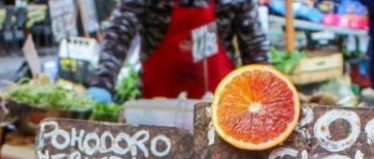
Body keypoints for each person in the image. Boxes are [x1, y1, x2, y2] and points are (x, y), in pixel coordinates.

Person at [87, 0, 270, 102]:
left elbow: (254, 46)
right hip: (158, 112)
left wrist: (265, 92)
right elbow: (120, 31)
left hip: (221, 109)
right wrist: (103, 82)